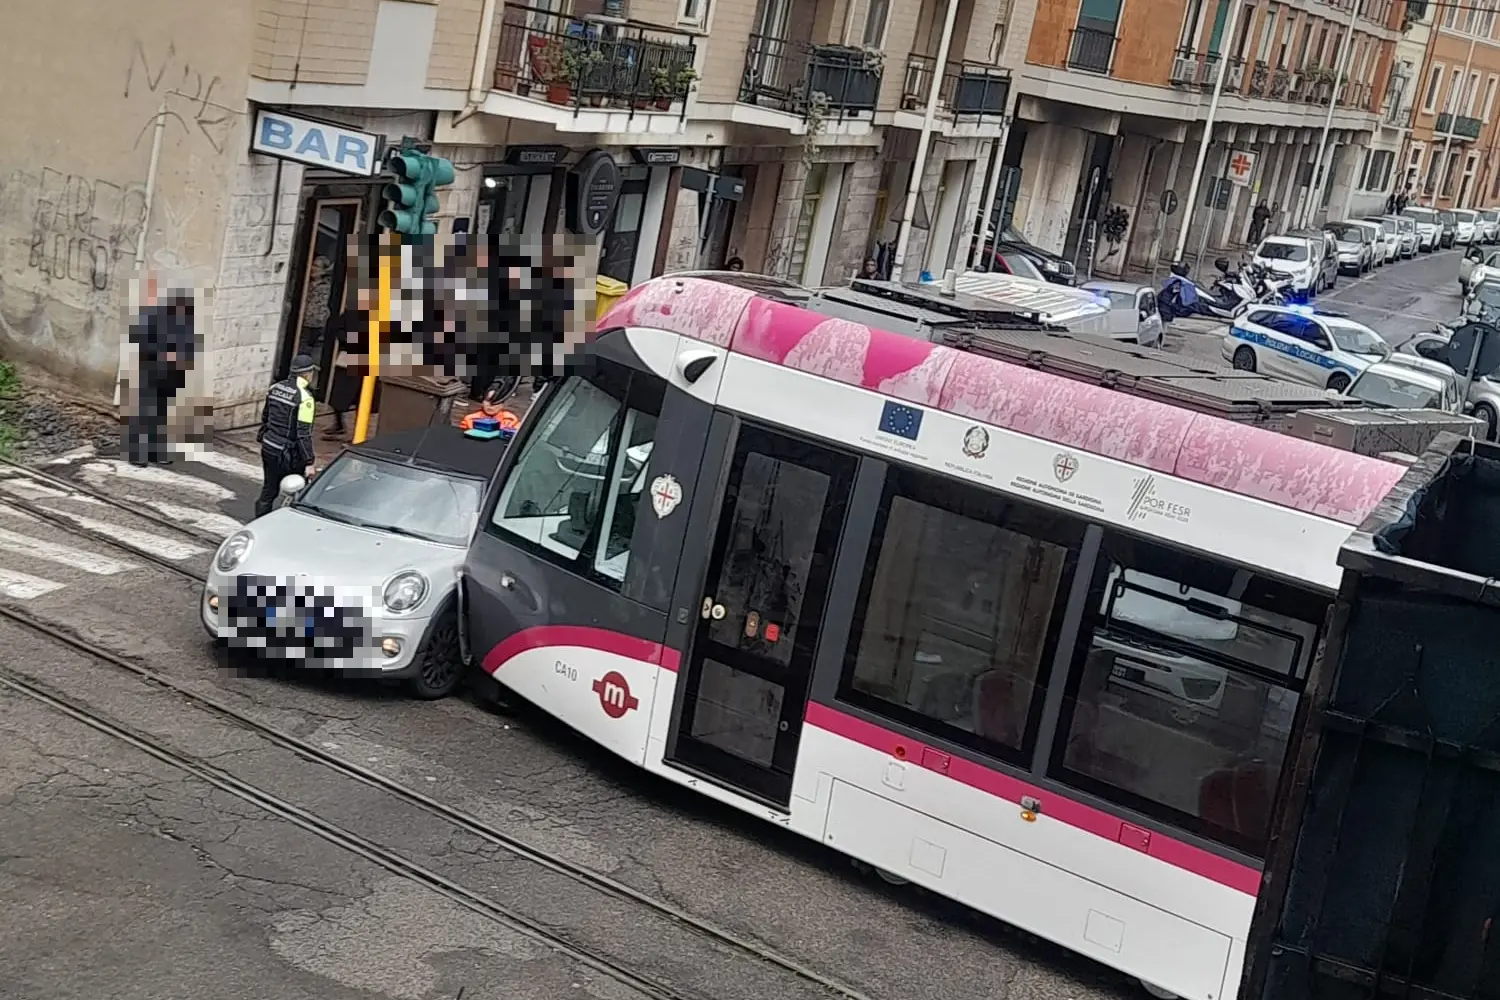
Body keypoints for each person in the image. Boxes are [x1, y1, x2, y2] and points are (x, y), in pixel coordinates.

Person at [126, 286, 195, 467]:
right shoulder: (153, 317)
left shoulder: (187, 322)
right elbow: (139, 340)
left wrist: (185, 360)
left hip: (172, 376)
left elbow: (190, 346)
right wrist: (164, 354)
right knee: (144, 413)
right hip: (151, 371)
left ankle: (156, 452)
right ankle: (138, 453)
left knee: (161, 415)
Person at [254, 354, 318, 518]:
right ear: (308, 373)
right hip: (288, 452)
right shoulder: (305, 398)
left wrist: (263, 437)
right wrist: (309, 461)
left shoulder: (275, 388)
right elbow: (303, 433)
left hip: (269, 446)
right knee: (300, 490)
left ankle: (258, 522)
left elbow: (266, 416)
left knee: (269, 489)